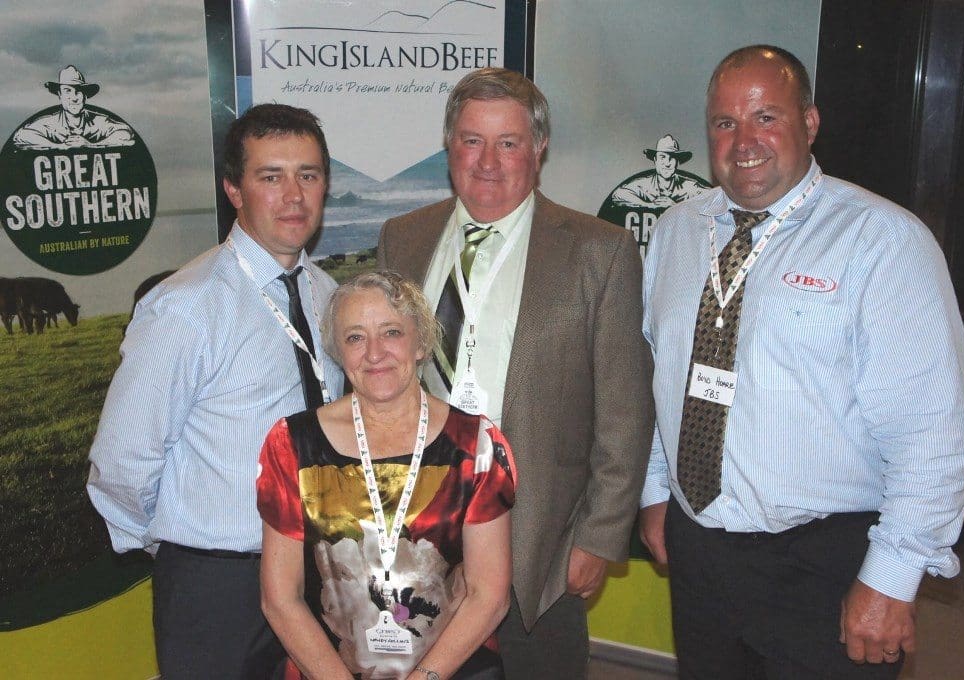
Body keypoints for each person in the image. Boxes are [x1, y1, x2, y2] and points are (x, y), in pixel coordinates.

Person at [638, 44, 964, 679]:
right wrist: (658, 488)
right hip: (701, 550)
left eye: (767, 116)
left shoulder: (882, 241)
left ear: (810, 123)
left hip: (825, 560)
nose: (745, 141)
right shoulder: (678, 232)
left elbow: (932, 426)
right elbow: (664, 374)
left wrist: (893, 577)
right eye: (725, 122)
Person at [377, 67, 654, 679]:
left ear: (539, 148)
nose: (489, 162)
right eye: (472, 140)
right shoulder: (403, 238)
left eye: (509, 143)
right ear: (449, 147)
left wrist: (599, 537)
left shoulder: (597, 251)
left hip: (541, 541)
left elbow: (625, 409)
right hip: (418, 534)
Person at [87, 103, 344, 678]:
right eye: (270, 176)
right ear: (234, 188)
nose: (294, 195)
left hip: (318, 573)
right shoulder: (186, 305)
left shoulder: (329, 296)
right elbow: (122, 461)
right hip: (219, 587)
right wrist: (180, 546)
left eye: (308, 174)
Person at [258, 271, 516, 680]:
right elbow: (280, 598)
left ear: (422, 343)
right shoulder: (292, 445)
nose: (374, 353)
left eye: (391, 332)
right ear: (339, 352)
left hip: (450, 670)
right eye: (355, 337)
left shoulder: (475, 445)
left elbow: (489, 594)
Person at [13, 65, 135, 150]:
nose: (74, 97)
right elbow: (22, 135)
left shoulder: (98, 122)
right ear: (60, 95)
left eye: (79, 91)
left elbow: (125, 133)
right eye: (67, 91)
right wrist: (60, 147)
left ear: (85, 96)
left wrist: (90, 145)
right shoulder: (50, 123)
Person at [610, 134, 706, 209]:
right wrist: (650, 205)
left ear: (677, 162)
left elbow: (715, 198)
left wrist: (675, 206)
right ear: (655, 160)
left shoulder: (688, 186)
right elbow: (619, 194)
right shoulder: (644, 185)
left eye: (672, 158)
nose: (667, 163)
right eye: (662, 157)